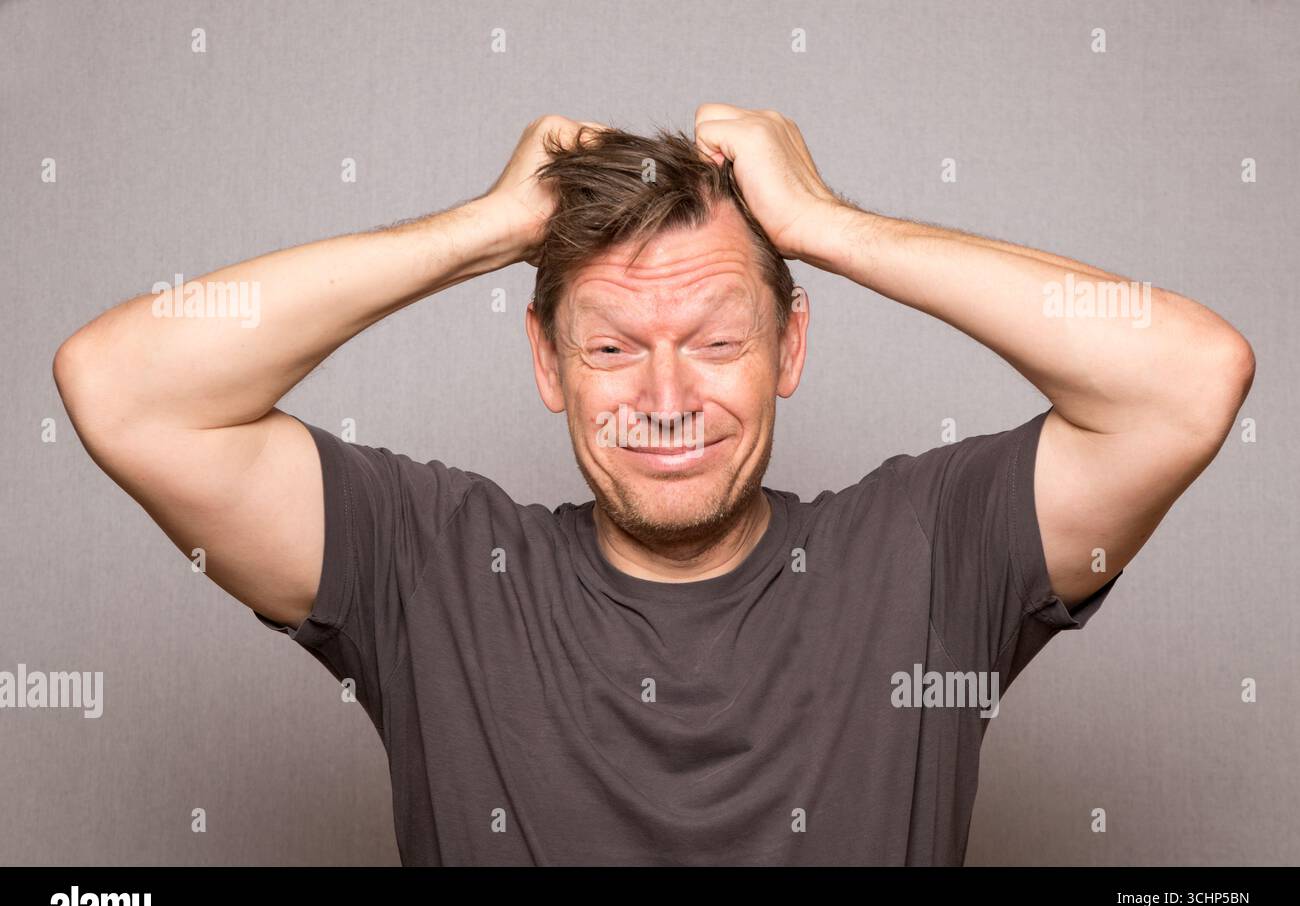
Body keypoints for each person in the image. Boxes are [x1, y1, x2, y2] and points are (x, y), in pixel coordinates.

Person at [52, 105, 1254, 865]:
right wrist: (481, 228)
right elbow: (122, 388)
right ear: (547, 363)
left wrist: (828, 225)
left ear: (790, 351)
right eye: (613, 346)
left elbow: (1188, 378)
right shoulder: (430, 565)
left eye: (720, 341)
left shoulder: (930, 550)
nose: (664, 394)